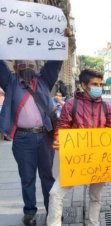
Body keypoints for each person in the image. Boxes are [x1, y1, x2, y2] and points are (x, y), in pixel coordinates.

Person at [47, 69, 111, 226]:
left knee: (96, 197)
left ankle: (94, 223)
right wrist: (58, 140)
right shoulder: (70, 105)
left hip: (98, 160)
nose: (98, 87)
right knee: (55, 194)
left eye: (100, 84)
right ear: (83, 85)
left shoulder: (106, 107)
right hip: (75, 160)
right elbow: (62, 127)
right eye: (95, 84)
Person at [0, 58, 63, 226]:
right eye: (22, 65)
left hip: (44, 137)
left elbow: (54, 63)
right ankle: (29, 213)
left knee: (47, 177)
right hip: (22, 139)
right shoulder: (10, 82)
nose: (27, 68)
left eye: (30, 65)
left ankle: (53, 212)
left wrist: (62, 39)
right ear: (15, 67)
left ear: (36, 67)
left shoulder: (44, 81)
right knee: (27, 178)